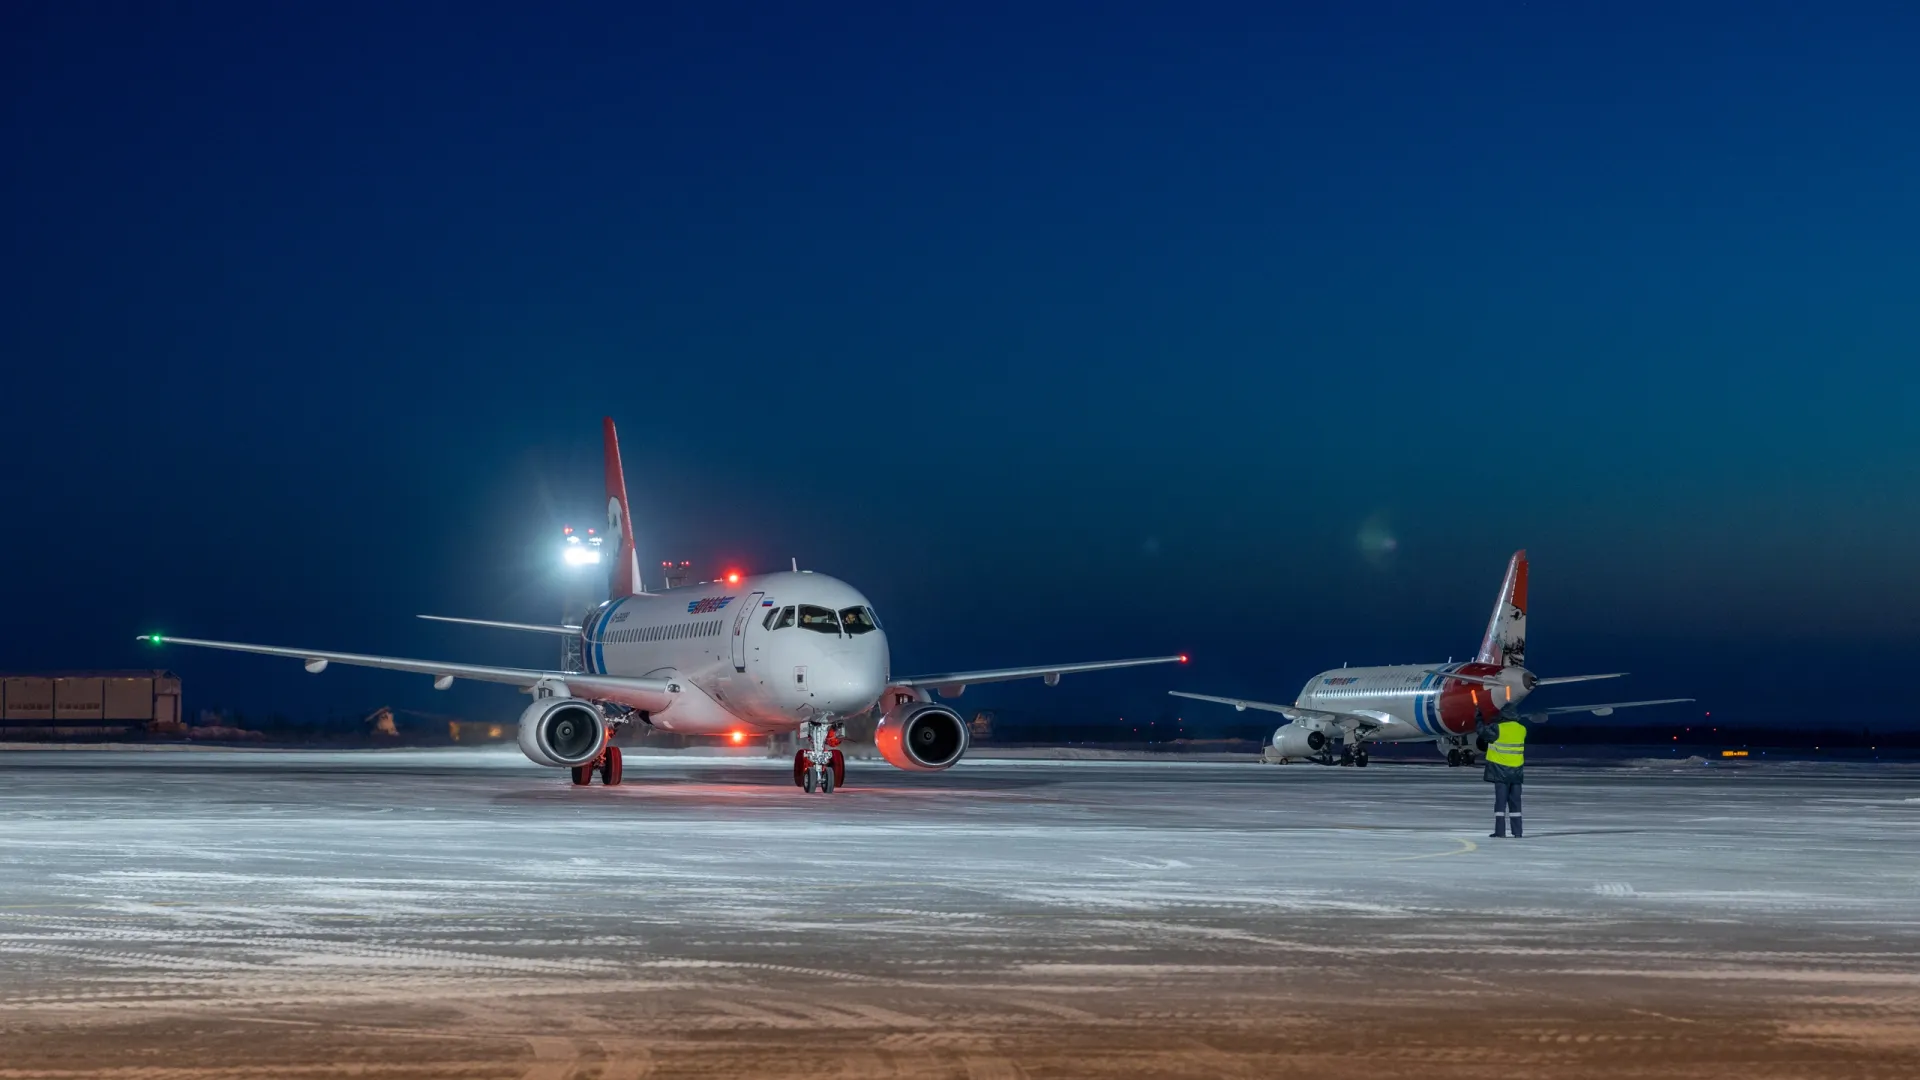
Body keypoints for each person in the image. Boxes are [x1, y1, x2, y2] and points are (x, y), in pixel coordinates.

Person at [1481, 716, 1527, 838]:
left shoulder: (1498, 728)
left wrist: (1479, 718)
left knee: (1500, 805)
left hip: (1501, 773)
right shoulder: (1522, 729)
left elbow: (1482, 733)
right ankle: (1517, 832)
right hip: (1516, 774)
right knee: (1516, 804)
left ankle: (1500, 832)